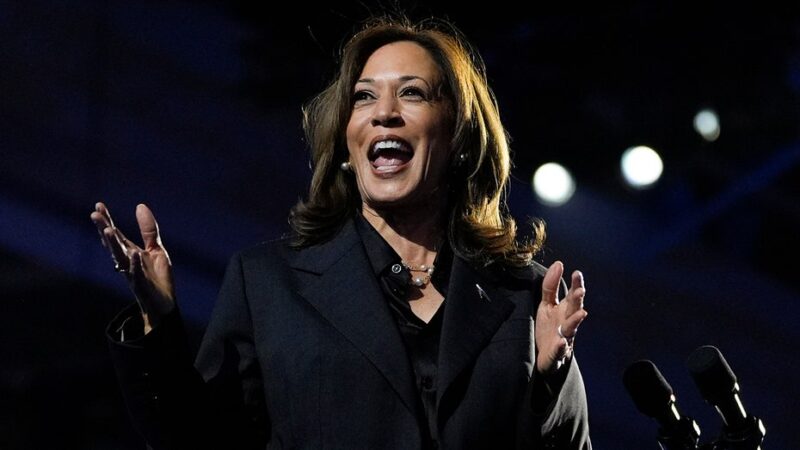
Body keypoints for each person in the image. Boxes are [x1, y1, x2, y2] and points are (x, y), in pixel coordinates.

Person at [90, 14, 591, 450]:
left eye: (412, 93)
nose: (384, 112)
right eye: (364, 97)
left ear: (458, 135)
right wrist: (158, 322)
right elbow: (196, 440)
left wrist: (551, 383)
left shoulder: (524, 294)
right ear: (347, 142)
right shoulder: (267, 283)